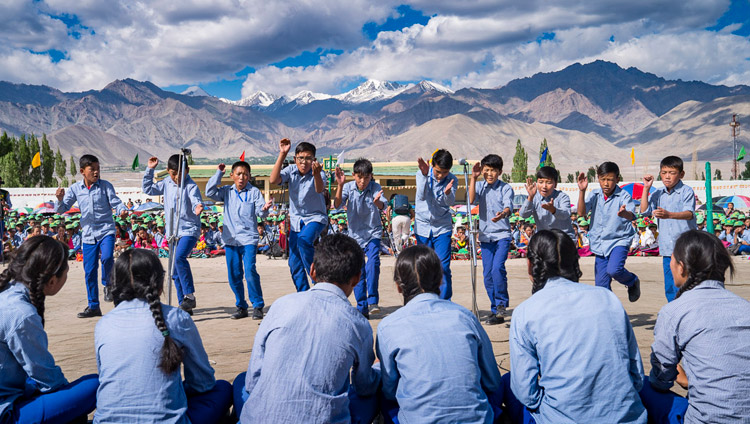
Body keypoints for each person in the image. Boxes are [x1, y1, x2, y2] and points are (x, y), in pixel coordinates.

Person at [234, 234, 380, 423]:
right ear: (357, 279)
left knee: (240, 381)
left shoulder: (281, 305)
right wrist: (377, 368)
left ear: (312, 271)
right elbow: (365, 386)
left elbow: (253, 381)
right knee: (370, 395)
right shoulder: (359, 324)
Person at [505, 229, 647, 424]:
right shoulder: (607, 298)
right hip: (628, 418)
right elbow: (637, 377)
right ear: (575, 263)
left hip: (561, 418)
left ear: (530, 265)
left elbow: (526, 393)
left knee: (507, 383)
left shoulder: (525, 312)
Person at [95, 249, 232, 422]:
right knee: (223, 389)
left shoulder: (104, 324)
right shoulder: (176, 318)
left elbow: (106, 377)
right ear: (159, 285)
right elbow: (202, 382)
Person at [377, 245, 503, 424]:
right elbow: (492, 381)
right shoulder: (465, 317)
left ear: (398, 286)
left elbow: (390, 391)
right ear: (441, 281)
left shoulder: (388, 327)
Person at [642, 230, 750, 423]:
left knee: (640, 385)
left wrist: (677, 376)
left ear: (681, 267)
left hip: (707, 419)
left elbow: (661, 379)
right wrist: (689, 381)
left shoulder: (675, 311)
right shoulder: (745, 306)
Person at [0, 236, 99, 423]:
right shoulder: (21, 314)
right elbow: (47, 378)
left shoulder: (6, 292)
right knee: (94, 385)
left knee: (32, 383)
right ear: (52, 281)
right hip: (5, 410)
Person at [55, 154, 127, 318]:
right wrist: (59, 199)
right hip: (87, 235)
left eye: (98, 169)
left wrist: (122, 210)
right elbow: (62, 209)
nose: (96, 172)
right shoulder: (75, 189)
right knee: (89, 271)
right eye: (92, 169)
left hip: (106, 230)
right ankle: (94, 306)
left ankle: (108, 284)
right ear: (82, 171)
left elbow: (116, 202)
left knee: (108, 257)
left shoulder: (105, 186)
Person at [206, 161, 272, 320]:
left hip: (248, 239)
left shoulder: (254, 192)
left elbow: (261, 213)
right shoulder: (226, 191)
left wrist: (264, 209)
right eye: (238, 174)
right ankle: (241, 306)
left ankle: (257, 305)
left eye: (245, 174)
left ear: (249, 176)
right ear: (232, 176)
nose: (242, 177)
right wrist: (218, 174)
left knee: (249, 271)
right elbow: (209, 192)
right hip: (231, 240)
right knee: (234, 275)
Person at [143, 154, 204, 315]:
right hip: (172, 231)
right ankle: (183, 305)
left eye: (180, 173)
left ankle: (189, 296)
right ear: (168, 171)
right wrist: (150, 170)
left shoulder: (191, 186)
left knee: (179, 258)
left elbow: (195, 199)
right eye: (173, 173)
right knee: (174, 271)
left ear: (187, 171)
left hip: (188, 229)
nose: (177, 177)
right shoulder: (166, 184)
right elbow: (148, 189)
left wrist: (198, 206)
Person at [577, 162, 641, 302]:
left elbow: (632, 215)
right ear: (598, 178)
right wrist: (582, 191)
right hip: (600, 243)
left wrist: (625, 214)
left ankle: (632, 281)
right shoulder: (594, 195)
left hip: (619, 240)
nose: (606, 183)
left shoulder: (623, 195)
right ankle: (610, 312)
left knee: (614, 270)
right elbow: (581, 213)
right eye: (603, 179)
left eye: (610, 179)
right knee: (601, 288)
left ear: (617, 179)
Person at [269, 138, 327, 292]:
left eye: (308, 158)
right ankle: (304, 294)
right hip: (296, 221)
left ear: (314, 160)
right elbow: (273, 180)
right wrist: (282, 154)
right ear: (295, 159)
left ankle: (318, 279)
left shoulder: (319, 173)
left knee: (304, 240)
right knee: (294, 263)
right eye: (301, 158)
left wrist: (316, 175)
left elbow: (320, 189)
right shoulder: (290, 171)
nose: (304, 162)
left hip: (315, 218)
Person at [640, 156, 697, 302]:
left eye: (672, 172)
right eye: (664, 172)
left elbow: (689, 214)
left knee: (685, 283)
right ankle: (674, 311)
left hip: (685, 247)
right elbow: (644, 211)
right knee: (670, 285)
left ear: (681, 174)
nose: (667, 176)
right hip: (666, 247)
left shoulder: (686, 191)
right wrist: (646, 188)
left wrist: (669, 215)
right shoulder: (658, 193)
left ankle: (686, 312)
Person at [333, 158, 385, 318]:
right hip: (355, 236)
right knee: (358, 271)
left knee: (374, 262)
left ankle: (373, 301)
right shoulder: (348, 187)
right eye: (359, 177)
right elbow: (336, 205)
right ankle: (362, 308)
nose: (363, 181)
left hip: (373, 233)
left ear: (371, 176)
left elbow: (383, 204)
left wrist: (378, 203)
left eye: (367, 177)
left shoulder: (375, 187)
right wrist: (340, 186)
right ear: (354, 175)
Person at [468, 154, 513, 324]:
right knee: (487, 274)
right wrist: (473, 178)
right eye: (486, 170)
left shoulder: (505, 188)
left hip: (502, 235)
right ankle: (495, 310)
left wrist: (503, 213)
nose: (489, 174)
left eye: (493, 170)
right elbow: (471, 200)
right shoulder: (480, 186)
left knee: (497, 269)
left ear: (499, 172)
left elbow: (508, 207)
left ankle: (501, 304)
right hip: (486, 237)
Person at [414, 149, 458, 300]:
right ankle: (425, 299)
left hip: (442, 227)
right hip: (423, 226)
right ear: (432, 165)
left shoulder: (452, 179)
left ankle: (445, 301)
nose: (440, 176)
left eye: (444, 172)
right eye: (438, 171)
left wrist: (447, 194)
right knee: (424, 266)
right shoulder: (422, 173)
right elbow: (420, 195)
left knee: (443, 266)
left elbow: (451, 202)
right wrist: (425, 176)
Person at [519, 166, 575, 240]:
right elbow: (523, 214)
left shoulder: (562, 197)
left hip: (563, 238)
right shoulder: (534, 197)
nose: (544, 186)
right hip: (544, 239)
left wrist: (553, 210)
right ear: (536, 183)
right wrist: (530, 197)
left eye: (548, 183)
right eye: (541, 182)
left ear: (555, 184)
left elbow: (565, 214)